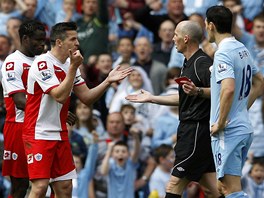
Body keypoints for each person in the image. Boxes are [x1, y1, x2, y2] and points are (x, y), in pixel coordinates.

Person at [22, 21, 132, 198]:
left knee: (65, 187)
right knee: (41, 186)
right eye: (73, 39)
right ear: (59, 42)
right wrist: (73, 67)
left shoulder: (68, 65)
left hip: (60, 133)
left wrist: (107, 81)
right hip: (38, 132)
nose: (77, 43)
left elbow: (87, 97)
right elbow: (59, 95)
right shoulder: (42, 64)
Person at [126, 20, 222, 198]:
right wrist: (152, 98)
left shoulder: (201, 63)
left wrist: (198, 90)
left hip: (196, 131)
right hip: (192, 130)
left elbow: (220, 91)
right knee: (211, 189)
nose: (173, 38)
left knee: (173, 184)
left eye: (176, 35)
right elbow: (184, 98)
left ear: (186, 38)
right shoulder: (187, 63)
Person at [206, 5, 263, 197]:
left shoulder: (222, 53)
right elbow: (260, 82)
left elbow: (228, 88)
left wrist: (221, 122)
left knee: (231, 190)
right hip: (242, 127)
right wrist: (242, 109)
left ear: (211, 25)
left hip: (228, 132)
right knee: (224, 187)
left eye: (206, 24)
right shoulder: (242, 48)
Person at [1, 20, 46, 198]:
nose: (43, 44)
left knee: (46, 183)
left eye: (44, 40)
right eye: (38, 40)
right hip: (18, 127)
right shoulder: (12, 62)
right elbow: (20, 101)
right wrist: (52, 113)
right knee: (20, 186)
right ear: (25, 39)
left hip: (42, 127)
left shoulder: (42, 62)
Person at [100, 133, 140, 198]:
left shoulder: (130, 164)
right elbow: (103, 172)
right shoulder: (110, 163)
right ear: (112, 154)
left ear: (128, 154)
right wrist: (109, 150)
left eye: (123, 151)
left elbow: (136, 152)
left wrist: (136, 138)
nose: (120, 154)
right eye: (117, 151)